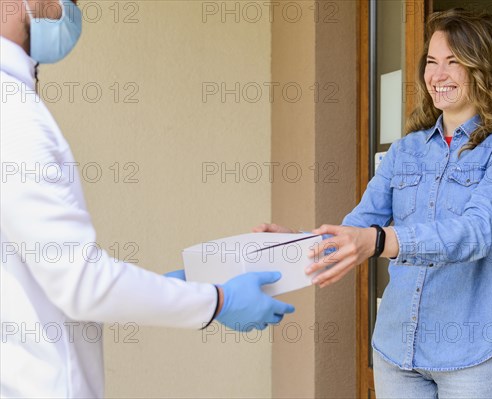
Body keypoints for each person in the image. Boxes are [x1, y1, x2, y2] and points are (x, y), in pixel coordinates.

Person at [0, 0, 294, 397]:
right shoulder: (16, 117)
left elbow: (52, 273)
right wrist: (217, 300)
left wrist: (170, 289)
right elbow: (82, 284)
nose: (66, 10)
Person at [255, 8, 492, 398]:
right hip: (396, 351)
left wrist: (380, 241)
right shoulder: (406, 150)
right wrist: (297, 241)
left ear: (484, 68)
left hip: (472, 357)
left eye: (453, 62)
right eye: (431, 62)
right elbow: (359, 226)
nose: (437, 75)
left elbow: (477, 232)